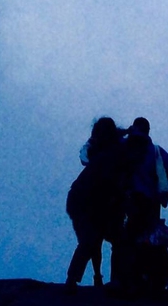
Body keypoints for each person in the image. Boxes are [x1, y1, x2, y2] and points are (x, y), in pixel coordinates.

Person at [112, 117, 168, 294]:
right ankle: (164, 280)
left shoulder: (125, 147)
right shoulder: (155, 150)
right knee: (153, 238)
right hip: (152, 200)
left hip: (131, 199)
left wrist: (126, 132)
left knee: (130, 238)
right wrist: (157, 178)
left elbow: (110, 140)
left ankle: (132, 278)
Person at [65, 117, 125, 289]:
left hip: (84, 199)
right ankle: (82, 278)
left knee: (92, 239)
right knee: (93, 239)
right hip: (88, 200)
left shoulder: (99, 150)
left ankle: (83, 278)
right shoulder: (112, 153)